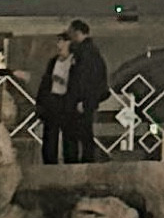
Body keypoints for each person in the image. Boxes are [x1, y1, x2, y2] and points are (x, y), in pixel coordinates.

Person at [61, 18, 109, 163]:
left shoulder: (84, 54)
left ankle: (79, 161)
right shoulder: (92, 52)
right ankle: (86, 160)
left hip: (81, 101)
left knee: (78, 132)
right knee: (84, 132)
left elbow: (83, 79)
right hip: (87, 100)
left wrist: (81, 99)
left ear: (77, 33)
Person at [33, 33, 74, 166]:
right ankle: (49, 162)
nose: (59, 45)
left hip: (66, 101)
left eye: (61, 42)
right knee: (50, 134)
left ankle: (70, 162)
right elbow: (46, 81)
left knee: (69, 134)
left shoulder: (75, 61)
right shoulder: (53, 61)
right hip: (53, 101)